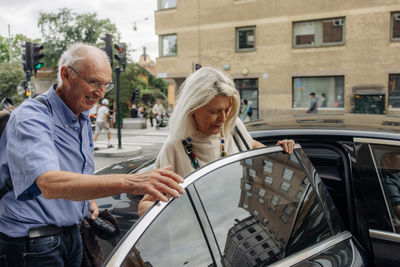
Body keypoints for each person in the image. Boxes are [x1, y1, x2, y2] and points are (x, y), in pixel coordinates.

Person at [0, 43, 184, 267]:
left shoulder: (82, 114)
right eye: (94, 82)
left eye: (106, 85)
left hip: (71, 235)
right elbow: (48, 183)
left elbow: (76, 169)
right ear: (66, 75)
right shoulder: (31, 117)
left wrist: (89, 198)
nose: (101, 92)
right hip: (35, 244)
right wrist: (129, 181)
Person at [138, 67, 294, 216]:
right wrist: (177, 211)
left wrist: (278, 151)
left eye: (227, 110)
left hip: (237, 223)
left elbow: (250, 145)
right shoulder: (173, 147)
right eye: (214, 111)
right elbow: (145, 205)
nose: (223, 118)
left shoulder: (233, 127)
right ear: (192, 108)